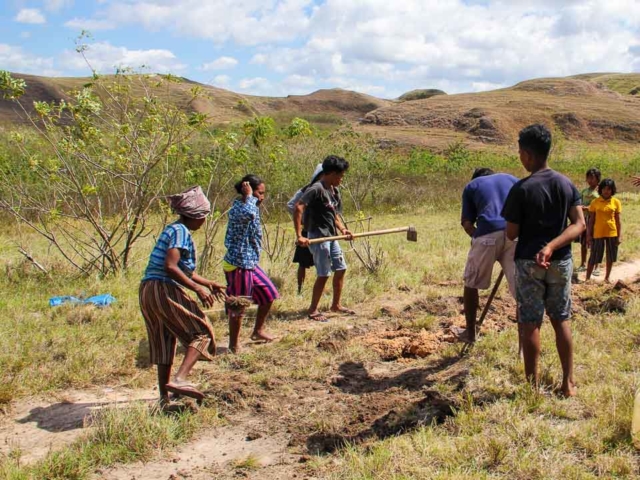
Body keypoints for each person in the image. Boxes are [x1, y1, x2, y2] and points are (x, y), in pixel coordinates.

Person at [502, 124, 585, 397]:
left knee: (530, 322)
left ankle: (532, 387)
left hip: (528, 261)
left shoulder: (521, 189)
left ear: (526, 154)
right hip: (561, 261)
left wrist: (538, 242)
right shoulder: (566, 183)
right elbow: (579, 225)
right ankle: (568, 383)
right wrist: (552, 245)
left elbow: (512, 233)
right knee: (561, 319)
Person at [139, 186, 226, 403]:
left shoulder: (173, 229)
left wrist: (208, 283)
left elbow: (185, 269)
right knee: (202, 332)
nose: (204, 221)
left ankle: (164, 398)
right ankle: (180, 379)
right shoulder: (181, 232)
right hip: (163, 287)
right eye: (204, 217)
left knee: (163, 341)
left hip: (148, 290)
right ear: (196, 216)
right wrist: (198, 289)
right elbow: (171, 266)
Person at [460, 167, 518, 343]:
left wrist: (479, 238)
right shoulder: (512, 178)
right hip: (516, 234)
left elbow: (468, 224)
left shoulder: (472, 185)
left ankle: (470, 334)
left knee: (471, 283)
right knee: (522, 290)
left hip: (487, 234)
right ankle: (525, 345)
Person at [294, 155, 354, 322]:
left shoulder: (334, 191)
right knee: (324, 273)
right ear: (331, 173)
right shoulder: (316, 188)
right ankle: (313, 310)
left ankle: (336, 305)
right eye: (340, 175)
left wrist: (343, 229)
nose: (342, 179)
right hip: (318, 236)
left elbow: (333, 214)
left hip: (331, 235)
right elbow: (298, 207)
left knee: (341, 268)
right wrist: (299, 235)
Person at [223, 174, 279, 353]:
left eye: (263, 194)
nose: (262, 197)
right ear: (247, 190)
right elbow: (247, 215)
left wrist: (252, 199)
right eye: (259, 193)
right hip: (239, 263)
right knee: (239, 305)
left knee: (269, 294)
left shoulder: (251, 206)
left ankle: (258, 331)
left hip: (250, 263)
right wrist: (248, 197)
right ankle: (233, 345)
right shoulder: (240, 207)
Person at [287, 164, 324, 294]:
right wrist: (303, 219)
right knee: (303, 263)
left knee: (325, 264)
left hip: (324, 232)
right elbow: (292, 205)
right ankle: (300, 290)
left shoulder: (330, 189)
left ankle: (321, 290)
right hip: (307, 231)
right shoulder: (306, 190)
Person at [586, 178, 622, 283]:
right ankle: (587, 279)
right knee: (594, 255)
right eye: (604, 189)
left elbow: (618, 221)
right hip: (598, 233)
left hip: (612, 232)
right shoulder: (595, 202)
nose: (606, 191)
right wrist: (588, 235)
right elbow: (591, 221)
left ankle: (607, 278)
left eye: (609, 189)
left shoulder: (616, 202)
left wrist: (619, 236)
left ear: (612, 190)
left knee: (610, 256)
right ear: (600, 189)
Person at [575, 168, 601, 274]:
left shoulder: (600, 191)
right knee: (584, 242)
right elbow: (579, 201)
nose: (590, 180)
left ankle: (596, 266)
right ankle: (583, 264)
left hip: (595, 220)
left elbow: (600, 204)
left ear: (597, 179)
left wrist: (588, 208)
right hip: (585, 219)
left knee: (595, 243)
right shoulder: (585, 191)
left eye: (592, 178)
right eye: (588, 178)